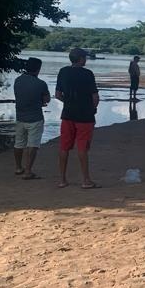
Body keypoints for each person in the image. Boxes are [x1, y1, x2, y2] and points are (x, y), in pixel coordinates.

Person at [55, 47, 100, 189]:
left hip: (67, 114)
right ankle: (86, 180)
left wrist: (68, 102)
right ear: (80, 59)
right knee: (82, 147)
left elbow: (57, 94)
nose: (86, 59)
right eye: (84, 57)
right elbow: (95, 96)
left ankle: (62, 180)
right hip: (85, 115)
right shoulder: (88, 74)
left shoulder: (63, 72)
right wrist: (93, 109)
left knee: (64, 146)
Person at [12, 57, 50, 179]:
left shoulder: (17, 80)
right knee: (33, 144)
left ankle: (18, 167)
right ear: (38, 69)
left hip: (20, 116)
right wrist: (41, 101)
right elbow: (46, 99)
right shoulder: (41, 84)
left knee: (19, 143)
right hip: (35, 117)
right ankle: (28, 171)